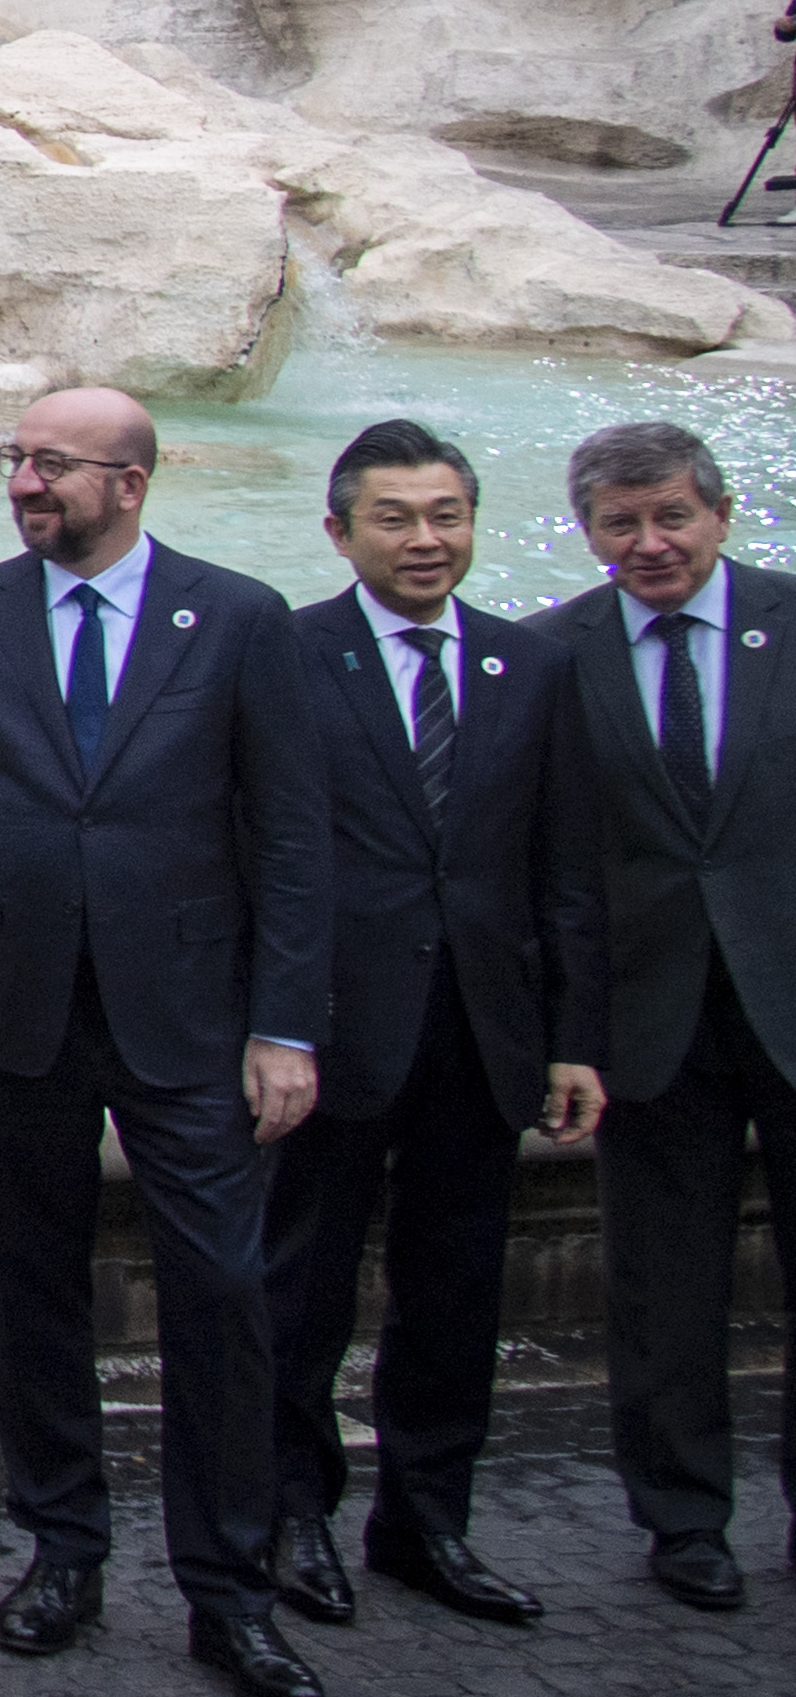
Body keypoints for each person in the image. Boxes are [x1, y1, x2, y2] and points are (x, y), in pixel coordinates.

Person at [0, 381, 328, 1697]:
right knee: (33, 1291)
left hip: (188, 1017)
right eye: (17, 459)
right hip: (16, 1011)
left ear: (131, 483)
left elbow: (292, 834)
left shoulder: (239, 618)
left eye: (54, 465)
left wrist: (284, 1025)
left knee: (222, 1296)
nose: (25, 483)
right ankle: (63, 1548)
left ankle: (230, 1588)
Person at [265, 420, 603, 1633]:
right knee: (300, 1287)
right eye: (396, 517)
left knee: (457, 1291)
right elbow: (257, 854)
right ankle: (289, 1513)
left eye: (446, 514)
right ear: (340, 530)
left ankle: (428, 1522)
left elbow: (564, 867)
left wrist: (571, 1035)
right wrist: (270, 1026)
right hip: (333, 1026)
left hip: (482, 1027)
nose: (425, 538)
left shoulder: (532, 665)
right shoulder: (287, 656)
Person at [531, 417, 794, 1612]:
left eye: (672, 516)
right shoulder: (552, 656)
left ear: (720, 516)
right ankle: (685, 1520)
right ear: (588, 531)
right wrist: (566, 1034)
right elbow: (548, 863)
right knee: (663, 1287)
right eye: (621, 523)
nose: (650, 543)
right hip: (647, 1018)